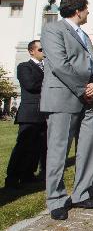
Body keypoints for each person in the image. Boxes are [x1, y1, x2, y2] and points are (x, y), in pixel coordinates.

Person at [40, 0, 93, 220]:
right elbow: (59, 64)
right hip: (63, 98)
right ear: (78, 10)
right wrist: (82, 88)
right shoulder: (53, 30)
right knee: (59, 151)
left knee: (87, 148)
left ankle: (81, 193)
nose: (88, 12)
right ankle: (56, 199)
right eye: (87, 9)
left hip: (87, 99)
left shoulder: (84, 35)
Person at [5, 40, 47, 189]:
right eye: (41, 49)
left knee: (39, 146)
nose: (44, 51)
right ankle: (12, 176)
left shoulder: (47, 67)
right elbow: (30, 85)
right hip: (30, 112)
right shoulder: (24, 67)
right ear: (32, 51)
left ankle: (28, 174)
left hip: (44, 112)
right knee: (23, 145)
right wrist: (48, 83)